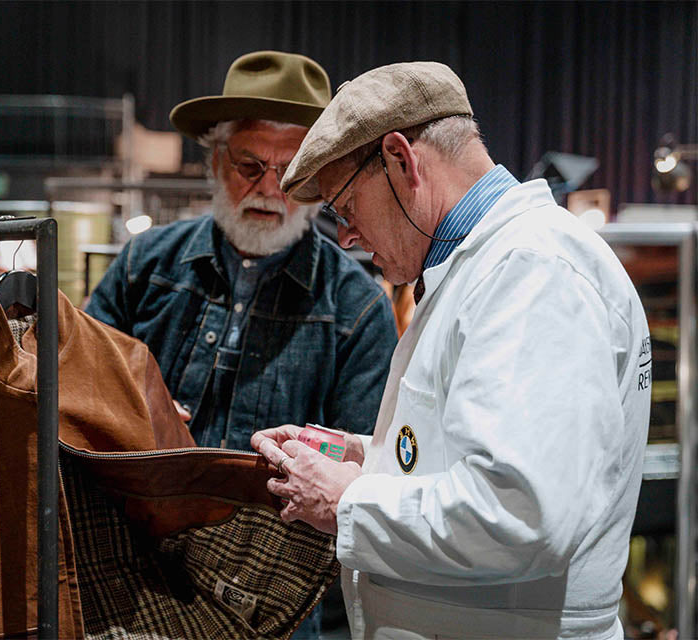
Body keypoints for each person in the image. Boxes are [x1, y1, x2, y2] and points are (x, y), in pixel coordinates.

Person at [252, 61, 650, 640]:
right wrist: (363, 457)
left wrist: (345, 503)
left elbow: (519, 515)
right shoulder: (488, 269)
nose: (346, 237)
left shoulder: (533, 272)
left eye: (345, 206)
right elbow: (469, 455)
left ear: (400, 159)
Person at [86, 51, 398, 637]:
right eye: (250, 164)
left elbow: (367, 467)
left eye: (295, 171)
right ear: (213, 159)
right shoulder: (144, 267)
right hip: (128, 584)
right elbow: (71, 385)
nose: (271, 188)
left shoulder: (356, 306)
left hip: (265, 609)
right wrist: (132, 408)